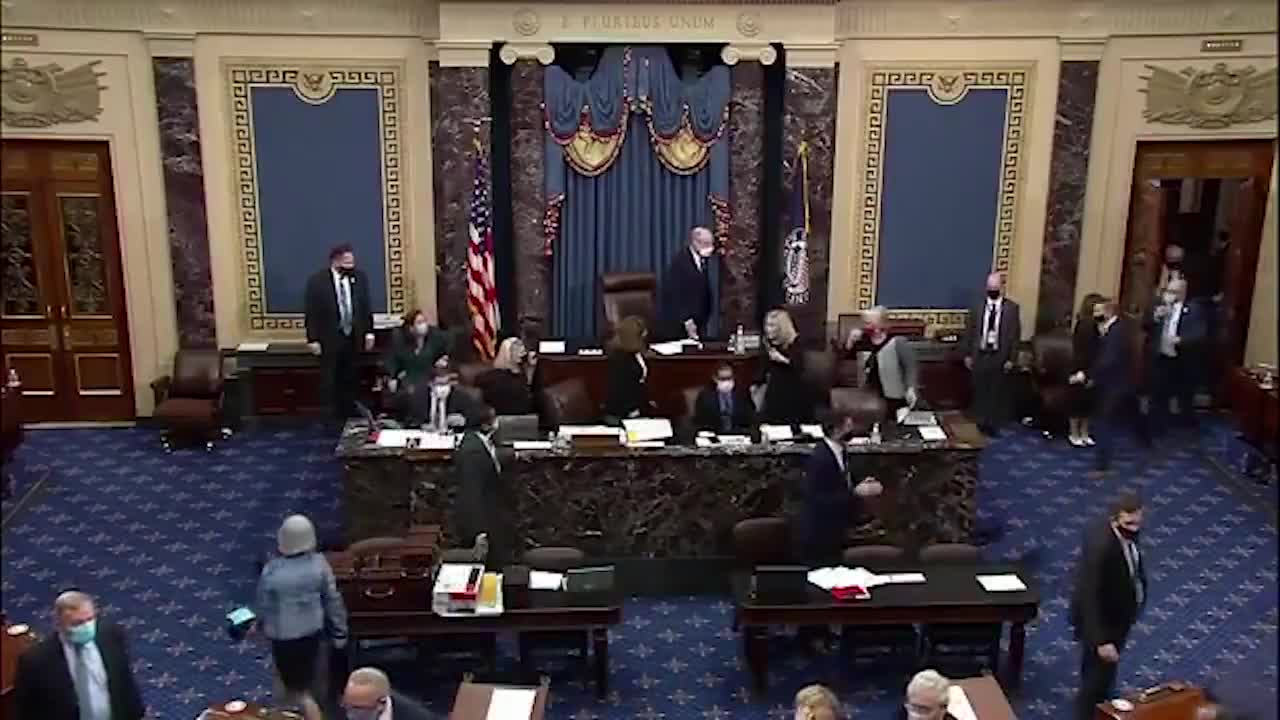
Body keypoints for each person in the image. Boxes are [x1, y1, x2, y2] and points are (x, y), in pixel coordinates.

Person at [256, 514, 349, 718]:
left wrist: (259, 626)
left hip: (280, 637)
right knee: (315, 681)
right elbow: (333, 601)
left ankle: (289, 712)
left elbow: (263, 603)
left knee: (288, 682)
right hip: (311, 634)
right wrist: (340, 632)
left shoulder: (271, 569)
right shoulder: (319, 565)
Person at [1070, 491, 1146, 720]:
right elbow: (1088, 596)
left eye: (1139, 522)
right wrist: (1101, 640)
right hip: (1102, 625)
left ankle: (1100, 709)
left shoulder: (1127, 535)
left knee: (1103, 676)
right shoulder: (1101, 547)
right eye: (1129, 523)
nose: (1135, 528)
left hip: (1119, 618)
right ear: (1115, 520)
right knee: (1094, 681)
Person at [13, 590, 146, 720]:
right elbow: (28, 709)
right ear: (59, 623)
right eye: (77, 623)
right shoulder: (36, 661)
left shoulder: (112, 635)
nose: (87, 627)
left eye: (90, 619)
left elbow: (125, 682)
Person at [794, 408, 883, 564]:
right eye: (848, 425)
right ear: (836, 429)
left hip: (838, 529)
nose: (853, 429)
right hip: (820, 535)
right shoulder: (820, 458)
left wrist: (863, 483)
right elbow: (818, 499)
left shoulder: (839, 451)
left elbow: (842, 483)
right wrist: (856, 493)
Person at [305, 244, 375, 422]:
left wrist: (369, 332)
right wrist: (312, 339)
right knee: (330, 379)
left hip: (353, 337)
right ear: (335, 261)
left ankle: (349, 414)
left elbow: (365, 307)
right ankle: (331, 417)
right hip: (329, 338)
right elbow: (311, 312)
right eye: (347, 261)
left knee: (351, 377)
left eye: (352, 261)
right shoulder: (317, 282)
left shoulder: (360, 278)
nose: (351, 265)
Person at [962, 272, 1022, 435]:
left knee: (996, 390)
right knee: (980, 389)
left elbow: (1015, 336)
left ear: (1002, 288)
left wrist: (1012, 358)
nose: (992, 290)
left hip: (999, 354)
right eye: (990, 288)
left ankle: (992, 423)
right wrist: (967, 354)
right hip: (980, 354)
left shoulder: (1012, 308)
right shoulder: (977, 307)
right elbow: (969, 332)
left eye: (995, 288)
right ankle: (980, 421)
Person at [1145, 278, 1206, 436]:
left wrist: (1182, 340)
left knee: (1183, 395)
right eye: (1168, 290)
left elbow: (1200, 334)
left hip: (1182, 359)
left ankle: (1186, 428)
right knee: (1157, 393)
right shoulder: (1159, 306)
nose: (1169, 294)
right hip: (1161, 357)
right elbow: (1144, 325)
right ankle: (1155, 427)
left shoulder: (1194, 309)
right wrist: (1156, 317)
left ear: (1182, 293)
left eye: (1173, 292)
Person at [1086, 299, 1138, 478]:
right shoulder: (1118, 329)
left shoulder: (1116, 333)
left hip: (1114, 385)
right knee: (1109, 422)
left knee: (1103, 423)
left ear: (1109, 313)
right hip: (1115, 383)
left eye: (1099, 312)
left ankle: (1102, 467)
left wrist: (1089, 375)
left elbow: (1108, 360)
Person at [454, 405, 509, 565]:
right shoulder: (473, 451)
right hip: (483, 525)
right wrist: (479, 532)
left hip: (491, 519)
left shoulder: (479, 442)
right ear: (485, 425)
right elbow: (471, 492)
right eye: (494, 419)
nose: (498, 423)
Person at [843, 305, 919, 413]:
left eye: (868, 323)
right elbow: (846, 360)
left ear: (880, 324)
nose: (864, 326)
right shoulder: (862, 340)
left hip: (893, 395)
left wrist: (911, 387)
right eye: (864, 322)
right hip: (869, 394)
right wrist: (849, 342)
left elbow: (910, 367)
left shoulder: (897, 341)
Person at [758, 308, 814, 425]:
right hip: (774, 389)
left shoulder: (796, 342)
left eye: (772, 325)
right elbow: (763, 370)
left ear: (781, 327)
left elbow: (800, 368)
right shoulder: (767, 344)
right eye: (767, 325)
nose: (767, 329)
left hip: (794, 388)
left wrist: (782, 360)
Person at [660, 226, 715, 341]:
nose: (710, 248)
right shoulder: (681, 262)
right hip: (681, 326)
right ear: (695, 242)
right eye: (706, 244)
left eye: (711, 243)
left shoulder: (701, 260)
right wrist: (687, 320)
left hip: (699, 322)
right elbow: (675, 295)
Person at [1068, 293, 1106, 447]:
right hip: (1080, 367)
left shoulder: (1100, 326)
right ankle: (1074, 433)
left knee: (1089, 404)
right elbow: (1081, 351)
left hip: (1094, 367)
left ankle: (1084, 432)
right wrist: (1082, 372)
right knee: (1078, 402)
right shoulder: (1083, 325)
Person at [384, 309, 451, 392]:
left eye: (424, 321)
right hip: (408, 385)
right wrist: (393, 378)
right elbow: (392, 363)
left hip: (430, 384)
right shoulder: (400, 342)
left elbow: (444, 350)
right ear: (411, 328)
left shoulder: (434, 337)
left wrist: (443, 359)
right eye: (419, 322)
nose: (424, 325)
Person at [340, 666, 439, 720]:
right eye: (346, 705)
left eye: (357, 709)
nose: (350, 715)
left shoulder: (418, 717)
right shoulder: (340, 710)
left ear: (381, 704)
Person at [604, 316, 652, 421]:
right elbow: (623, 393)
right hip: (623, 415)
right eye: (642, 333)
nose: (646, 335)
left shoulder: (637, 355)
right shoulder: (622, 362)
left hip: (636, 411)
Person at [475, 337, 535, 416]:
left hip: (525, 419)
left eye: (522, 349)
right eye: (516, 349)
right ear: (506, 351)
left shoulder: (525, 374)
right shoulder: (490, 378)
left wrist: (531, 367)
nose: (521, 352)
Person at [692, 362, 756, 434]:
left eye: (729, 378)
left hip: (739, 436)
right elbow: (699, 422)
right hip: (714, 436)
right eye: (722, 379)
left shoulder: (742, 394)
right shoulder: (705, 396)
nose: (727, 383)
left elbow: (751, 418)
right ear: (715, 379)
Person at [410, 368, 477, 431]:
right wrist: (422, 426)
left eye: (446, 384)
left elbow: (477, 418)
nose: (443, 388)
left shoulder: (461, 397)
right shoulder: (418, 398)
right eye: (439, 384)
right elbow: (409, 421)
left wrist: (463, 420)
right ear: (430, 384)